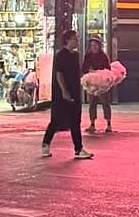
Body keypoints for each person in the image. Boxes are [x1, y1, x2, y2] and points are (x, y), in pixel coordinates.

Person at [42, 30, 94, 160]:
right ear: (68, 40)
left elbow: (78, 72)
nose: (77, 41)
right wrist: (64, 90)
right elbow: (59, 74)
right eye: (74, 39)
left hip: (75, 91)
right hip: (62, 93)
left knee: (75, 121)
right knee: (57, 120)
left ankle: (78, 149)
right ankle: (46, 143)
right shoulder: (61, 55)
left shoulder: (75, 55)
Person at [82, 36, 113, 134]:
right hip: (92, 83)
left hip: (102, 82)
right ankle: (92, 124)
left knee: (105, 102)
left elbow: (108, 68)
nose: (94, 47)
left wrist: (101, 73)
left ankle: (108, 124)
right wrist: (89, 71)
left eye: (96, 45)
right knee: (92, 103)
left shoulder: (103, 56)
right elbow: (84, 68)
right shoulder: (88, 56)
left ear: (99, 46)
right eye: (92, 45)